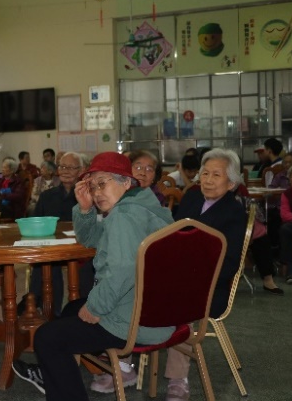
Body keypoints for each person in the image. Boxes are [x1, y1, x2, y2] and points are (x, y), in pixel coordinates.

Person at [13, 152, 174, 399]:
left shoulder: (123, 217)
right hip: (160, 314)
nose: (97, 192)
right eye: (92, 185)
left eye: (103, 183)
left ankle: (62, 387)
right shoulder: (146, 208)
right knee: (70, 310)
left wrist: (96, 307)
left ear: (126, 182)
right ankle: (56, 376)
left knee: (47, 337)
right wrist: (86, 210)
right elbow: (90, 239)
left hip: (133, 322)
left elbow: (122, 271)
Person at [163, 148, 247, 401]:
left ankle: (178, 378)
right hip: (179, 278)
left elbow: (229, 263)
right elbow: (173, 238)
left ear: (231, 182)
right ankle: (123, 363)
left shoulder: (233, 213)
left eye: (216, 175)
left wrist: (192, 276)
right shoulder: (191, 199)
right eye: (205, 173)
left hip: (212, 286)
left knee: (177, 305)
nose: (208, 180)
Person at [22, 152, 86, 318]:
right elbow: (36, 224)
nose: (65, 171)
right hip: (53, 247)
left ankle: (35, 302)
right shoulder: (47, 196)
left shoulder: (86, 196)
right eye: (62, 167)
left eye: (71, 168)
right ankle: (45, 308)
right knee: (45, 261)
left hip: (81, 247)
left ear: (81, 170)